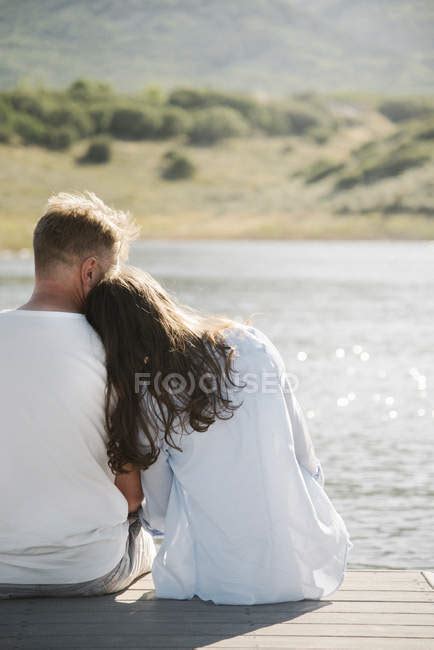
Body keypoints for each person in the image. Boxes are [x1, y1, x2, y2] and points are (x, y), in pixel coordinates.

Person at [85, 266, 353, 606]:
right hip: (302, 568)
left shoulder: (149, 397)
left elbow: (163, 513)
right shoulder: (252, 343)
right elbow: (305, 456)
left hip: (223, 579)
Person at [0, 193, 155, 598]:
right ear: (90, 272)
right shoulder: (111, 349)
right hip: (89, 570)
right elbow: (132, 495)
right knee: (147, 533)